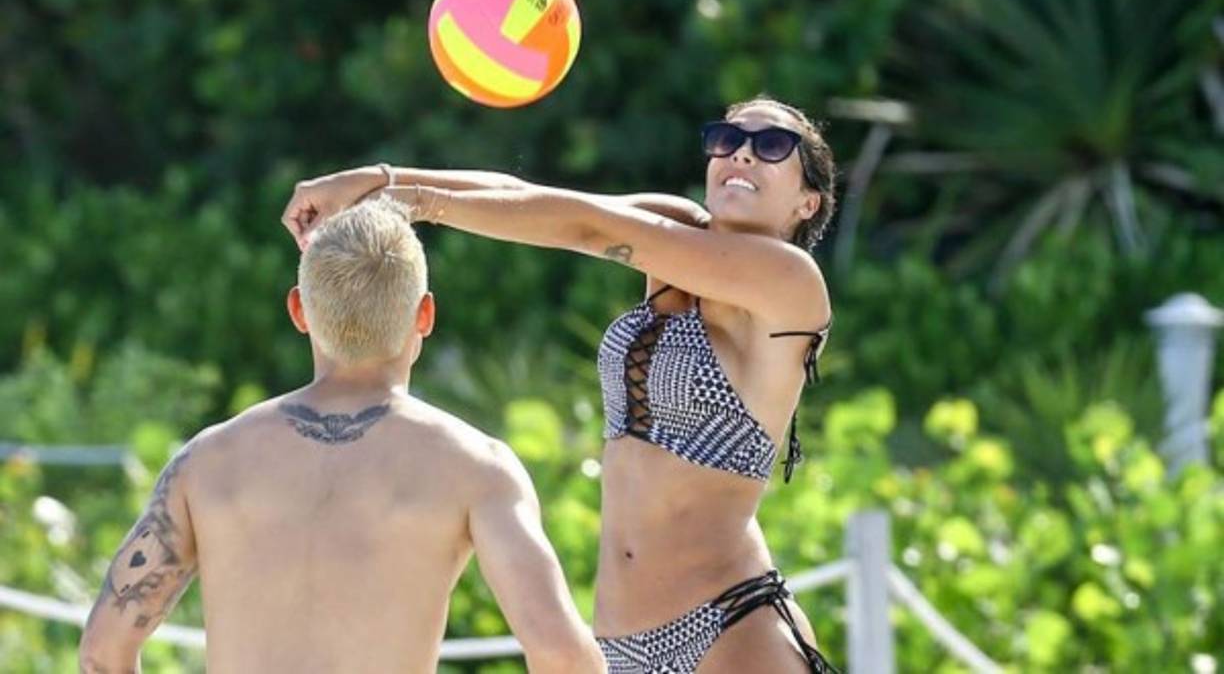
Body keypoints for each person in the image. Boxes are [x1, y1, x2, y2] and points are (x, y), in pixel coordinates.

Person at [282, 95, 840, 673]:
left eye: (771, 146)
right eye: (727, 139)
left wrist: (415, 202)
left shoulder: (790, 281)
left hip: (730, 625)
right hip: (619, 643)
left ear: (808, 201)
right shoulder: (673, 231)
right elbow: (529, 199)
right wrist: (378, 178)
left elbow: (587, 227)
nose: (742, 154)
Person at [79, 197, 605, 674]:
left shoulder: (207, 461)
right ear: (425, 315)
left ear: (299, 312)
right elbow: (561, 657)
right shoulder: (474, 468)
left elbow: (104, 652)